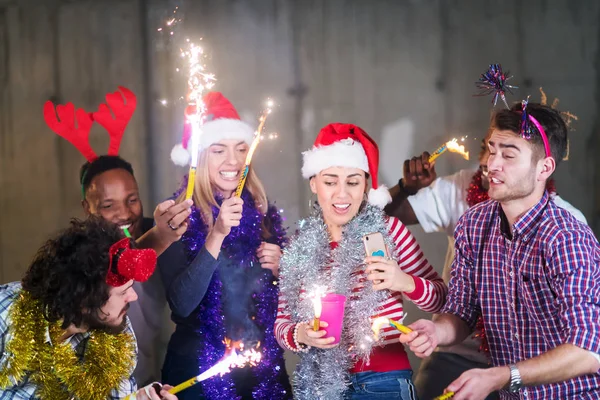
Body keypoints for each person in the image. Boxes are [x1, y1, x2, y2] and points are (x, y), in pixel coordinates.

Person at [400, 102, 600, 399]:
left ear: (544, 168)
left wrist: (501, 376)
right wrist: (437, 332)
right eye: (492, 150)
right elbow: (461, 312)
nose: (492, 164)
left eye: (508, 155)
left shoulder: (566, 237)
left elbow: (588, 351)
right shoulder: (473, 223)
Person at [274, 123, 447, 400]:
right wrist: (302, 334)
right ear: (314, 183)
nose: (342, 194)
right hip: (319, 387)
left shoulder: (389, 231)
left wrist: (402, 280)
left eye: (353, 182)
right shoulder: (299, 246)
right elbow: (282, 323)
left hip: (384, 383)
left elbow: (441, 299)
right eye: (330, 182)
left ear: (366, 184)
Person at [44, 87, 192, 386]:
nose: (125, 213)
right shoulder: (79, 260)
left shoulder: (166, 234)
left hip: (151, 383)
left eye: (132, 199)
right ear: (87, 208)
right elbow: (122, 259)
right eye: (108, 205)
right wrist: (161, 235)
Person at [159, 92, 291, 400]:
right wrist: (216, 234)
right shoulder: (176, 216)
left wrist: (286, 268)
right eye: (219, 150)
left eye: (241, 149)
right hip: (198, 374)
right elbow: (182, 303)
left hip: (261, 374)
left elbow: (284, 305)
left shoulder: (262, 213)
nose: (233, 161)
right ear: (199, 157)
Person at [0, 217, 178, 400]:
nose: (134, 296)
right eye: (123, 292)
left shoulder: (117, 339)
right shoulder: (5, 312)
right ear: (84, 301)